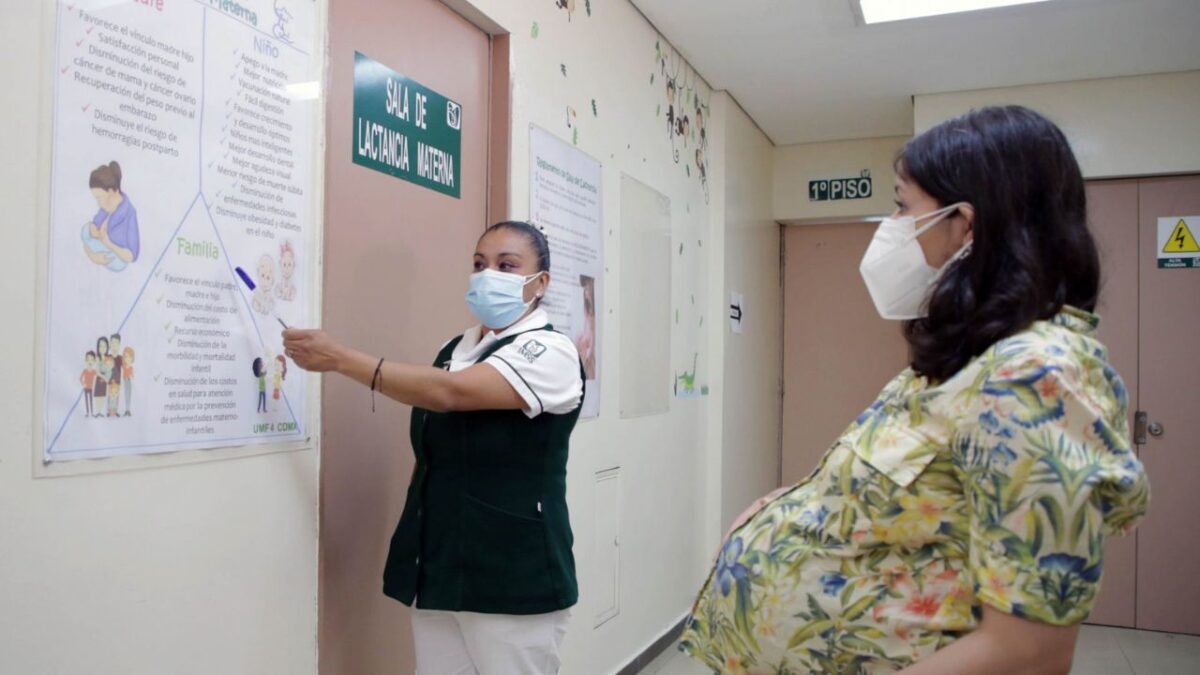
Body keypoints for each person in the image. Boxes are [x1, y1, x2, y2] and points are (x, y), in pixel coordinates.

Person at [681, 106, 1150, 674]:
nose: (893, 223)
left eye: (903, 205)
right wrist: (779, 511)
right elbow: (923, 503)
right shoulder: (972, 357)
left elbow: (1030, 653)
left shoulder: (1034, 378)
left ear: (967, 224)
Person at [283, 221, 585, 674]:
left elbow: (451, 394)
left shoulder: (551, 352)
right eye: (479, 264)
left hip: (512, 575)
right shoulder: (454, 348)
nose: (488, 276)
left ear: (541, 282)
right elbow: (433, 449)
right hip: (441, 567)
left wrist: (340, 359)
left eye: (507, 266)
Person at [81, 161, 139, 272]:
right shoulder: (105, 208)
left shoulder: (129, 214)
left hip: (116, 261)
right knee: (85, 228)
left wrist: (108, 243)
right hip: (98, 256)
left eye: (99, 197)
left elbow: (131, 256)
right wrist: (93, 255)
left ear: (112, 192)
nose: (98, 203)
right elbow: (91, 233)